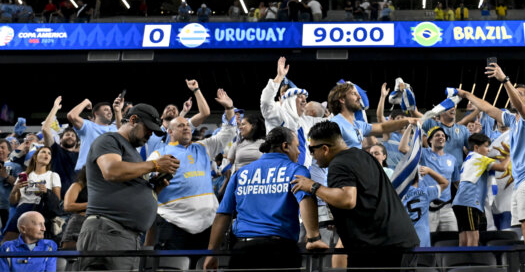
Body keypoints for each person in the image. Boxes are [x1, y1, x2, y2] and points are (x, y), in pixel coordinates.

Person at [294, 121, 418, 272]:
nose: (312, 156)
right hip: (402, 241)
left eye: (312, 150)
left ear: (325, 148)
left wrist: (313, 186)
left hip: (378, 249)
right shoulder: (364, 156)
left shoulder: (338, 163)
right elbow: (366, 199)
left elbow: (347, 200)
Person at [462, 61, 525, 266]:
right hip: (523, 184)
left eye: (520, 94)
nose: (514, 96)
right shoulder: (513, 120)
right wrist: (467, 95)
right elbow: (490, 109)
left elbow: (519, 104)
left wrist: (505, 80)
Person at [205, 127, 327, 271]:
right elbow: (305, 200)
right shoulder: (296, 170)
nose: (299, 152)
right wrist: (313, 238)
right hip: (280, 252)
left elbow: (223, 213)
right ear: (285, 146)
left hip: (242, 252)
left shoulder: (241, 173)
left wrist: (212, 253)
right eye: (297, 146)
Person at [76, 104, 179, 272]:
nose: (150, 134)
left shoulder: (134, 154)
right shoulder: (110, 140)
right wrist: (154, 165)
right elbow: (111, 170)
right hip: (108, 233)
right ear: (133, 120)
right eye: (148, 129)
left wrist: (155, 188)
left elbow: (130, 188)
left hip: (127, 237)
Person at [146, 89, 237, 260]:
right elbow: (145, 185)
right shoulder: (159, 155)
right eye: (181, 125)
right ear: (170, 132)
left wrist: (229, 107)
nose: (186, 128)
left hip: (207, 227)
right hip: (174, 225)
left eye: (188, 125)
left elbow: (228, 132)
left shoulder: (203, 147)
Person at [399, 125, 460, 233]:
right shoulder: (423, 153)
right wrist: (409, 127)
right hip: (427, 207)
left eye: (443, 135)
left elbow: (456, 182)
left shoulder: (452, 159)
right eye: (437, 135)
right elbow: (403, 148)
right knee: (427, 243)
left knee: (452, 239)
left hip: (447, 207)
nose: (441, 137)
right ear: (430, 140)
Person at [452, 133, 508, 246]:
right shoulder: (480, 158)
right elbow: (503, 167)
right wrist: (509, 155)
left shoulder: (469, 158)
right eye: (486, 146)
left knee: (463, 239)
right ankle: (473, 262)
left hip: (460, 202)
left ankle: (462, 262)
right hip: (469, 202)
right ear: (476, 147)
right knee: (474, 237)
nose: (488, 150)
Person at [327, 82, 415, 149]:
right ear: (342, 99)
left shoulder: (358, 125)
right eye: (354, 94)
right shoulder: (335, 124)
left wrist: (409, 120)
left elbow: (383, 127)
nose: (359, 97)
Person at [3, 147, 61, 242]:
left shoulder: (53, 175)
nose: (47, 154)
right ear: (35, 157)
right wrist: (15, 188)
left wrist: (46, 191)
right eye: (43, 152)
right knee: (8, 241)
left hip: (41, 211)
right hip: (22, 210)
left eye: (49, 153)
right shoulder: (24, 175)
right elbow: (13, 201)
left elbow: (57, 200)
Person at [67, 97, 122, 173]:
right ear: (96, 113)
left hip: (108, 171)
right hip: (86, 171)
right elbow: (71, 115)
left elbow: (123, 133)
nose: (110, 112)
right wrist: (85, 102)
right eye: (106, 110)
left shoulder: (114, 128)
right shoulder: (88, 126)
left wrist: (117, 111)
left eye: (110, 110)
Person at [401, 163, 449, 248]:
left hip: (405, 239)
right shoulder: (426, 192)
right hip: (422, 239)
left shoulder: (398, 195)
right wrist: (429, 171)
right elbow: (445, 183)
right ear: (418, 179)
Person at [40, 97, 78, 198]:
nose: (70, 136)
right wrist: (55, 108)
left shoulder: (81, 155)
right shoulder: (55, 150)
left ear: (77, 142)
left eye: (73, 135)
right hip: (54, 199)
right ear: (60, 140)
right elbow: (45, 129)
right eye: (67, 135)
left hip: (75, 200)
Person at [60, 168, 87, 250]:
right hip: (79, 219)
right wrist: (91, 205)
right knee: (69, 248)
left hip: (99, 221)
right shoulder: (78, 185)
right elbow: (68, 206)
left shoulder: (104, 188)